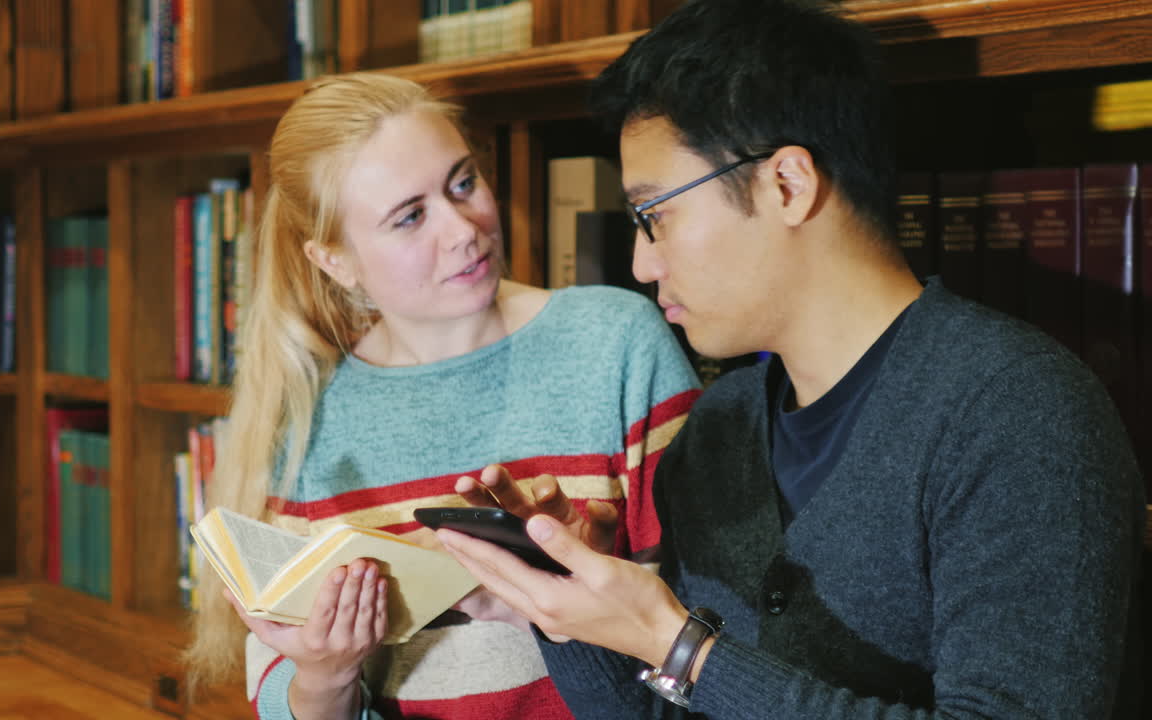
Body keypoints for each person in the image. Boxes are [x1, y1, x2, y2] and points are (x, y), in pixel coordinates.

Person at [435, 1, 1147, 718]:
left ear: (787, 185)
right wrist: (570, 604)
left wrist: (675, 642)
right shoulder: (723, 423)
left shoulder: (1020, 412)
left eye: (655, 215)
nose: (642, 263)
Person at [182, 72, 702, 720]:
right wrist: (327, 676)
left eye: (463, 183)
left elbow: (716, 634)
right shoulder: (310, 418)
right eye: (409, 217)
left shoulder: (617, 343)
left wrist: (589, 598)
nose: (463, 229)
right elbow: (281, 693)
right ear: (335, 261)